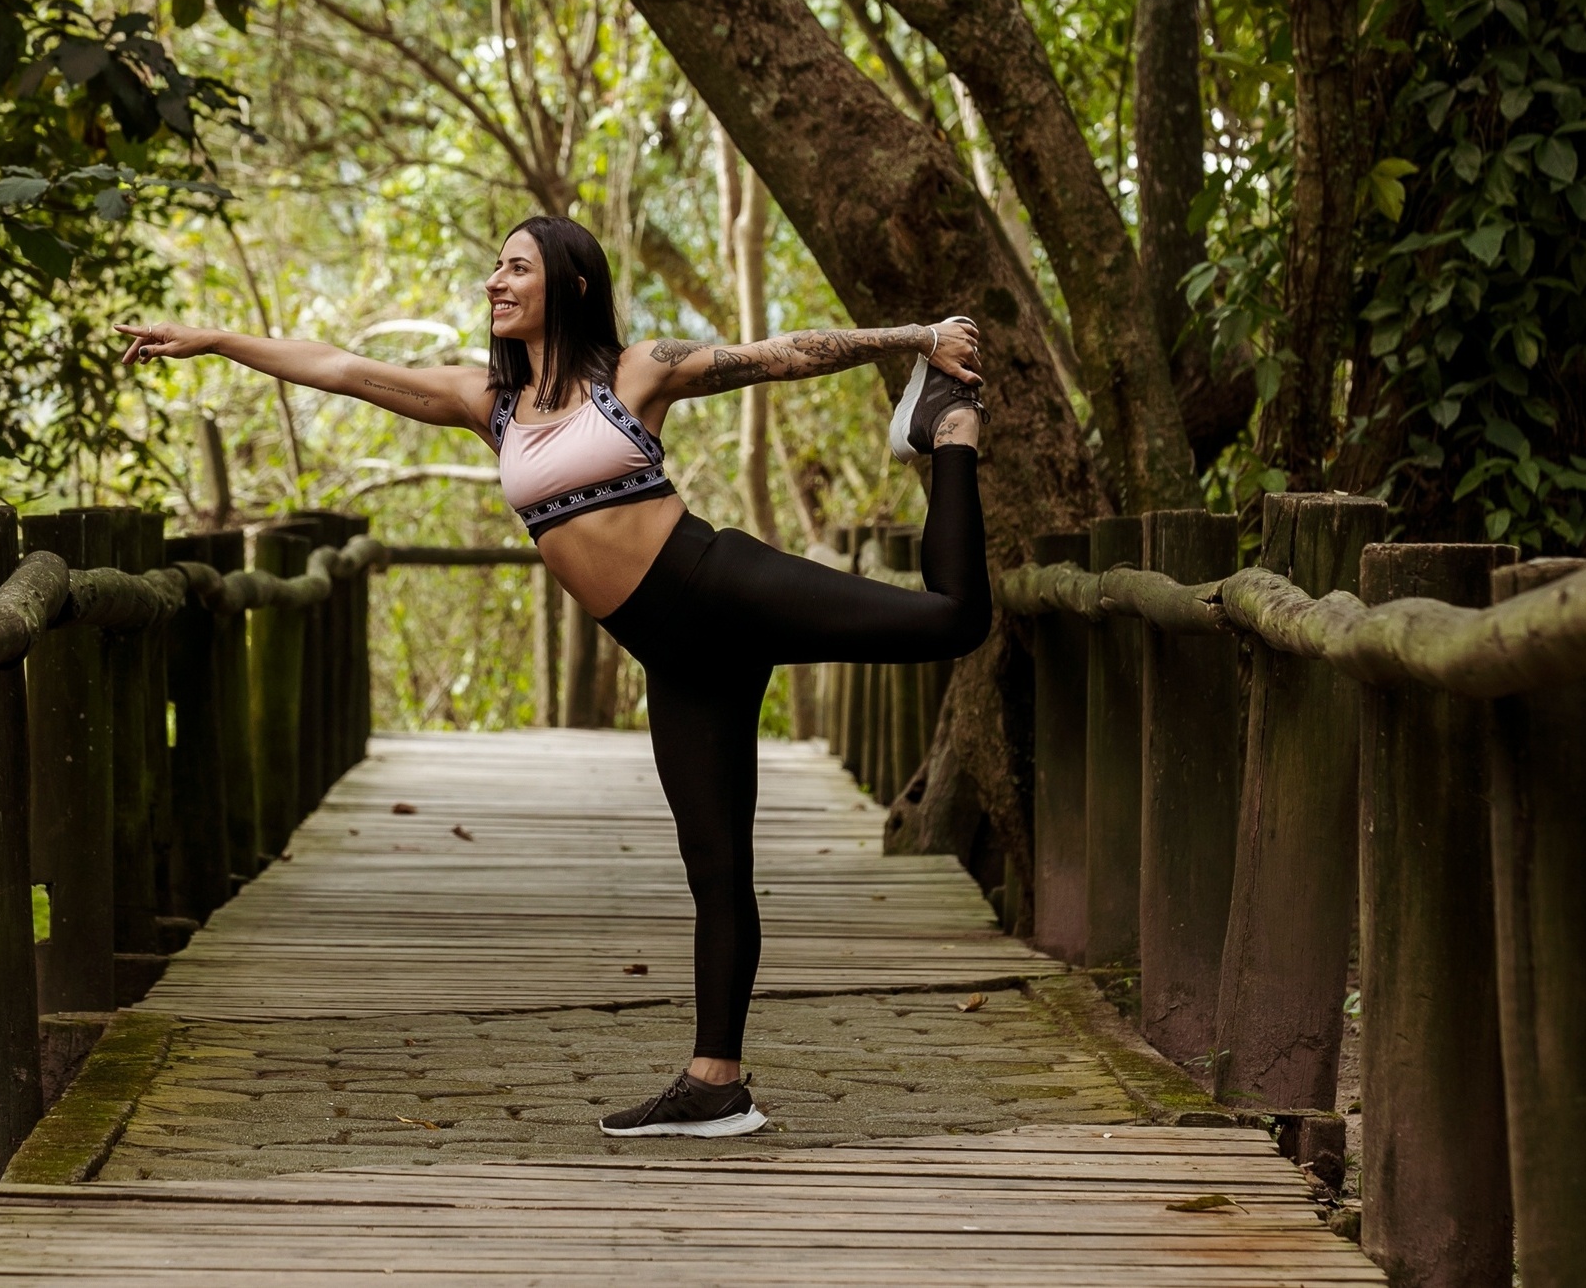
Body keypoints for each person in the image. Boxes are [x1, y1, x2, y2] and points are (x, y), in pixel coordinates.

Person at [115, 213, 990, 1138]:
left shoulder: (633, 373)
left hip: (718, 584)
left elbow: (779, 354)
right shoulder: (486, 403)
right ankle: (715, 1082)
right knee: (716, 868)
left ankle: (950, 429)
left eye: (517, 266)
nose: (495, 279)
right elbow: (336, 366)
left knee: (952, 619)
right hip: (676, 654)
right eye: (494, 265)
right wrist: (213, 340)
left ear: (569, 285)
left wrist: (917, 342)